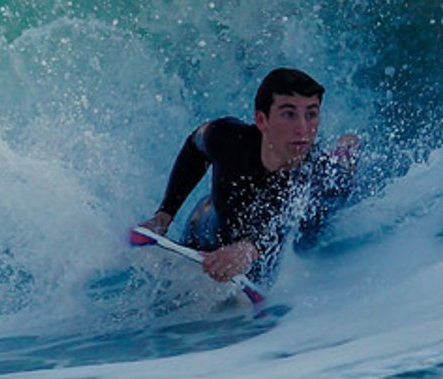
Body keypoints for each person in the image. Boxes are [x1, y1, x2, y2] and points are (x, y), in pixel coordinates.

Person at [140, 67, 359, 284]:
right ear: (261, 120)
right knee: (204, 219)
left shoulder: (316, 176)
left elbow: (280, 226)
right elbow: (194, 146)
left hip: (266, 252)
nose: (303, 128)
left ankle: (343, 152)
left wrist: (249, 251)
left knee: (333, 187)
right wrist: (164, 216)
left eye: (311, 114)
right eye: (289, 114)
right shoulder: (227, 138)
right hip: (210, 227)